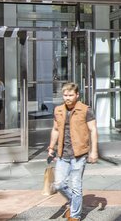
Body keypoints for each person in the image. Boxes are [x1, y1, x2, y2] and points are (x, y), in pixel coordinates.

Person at [48, 82, 98, 221]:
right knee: (59, 185)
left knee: (76, 187)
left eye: (70, 95)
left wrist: (94, 151)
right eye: (65, 95)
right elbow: (55, 129)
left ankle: (75, 215)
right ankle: (73, 202)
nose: (67, 98)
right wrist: (51, 147)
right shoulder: (58, 110)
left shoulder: (85, 110)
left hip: (79, 154)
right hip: (62, 154)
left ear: (77, 95)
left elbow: (93, 130)